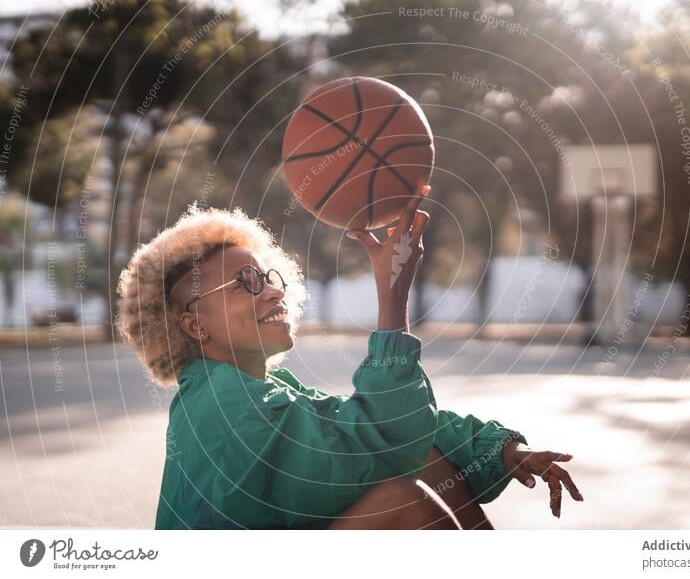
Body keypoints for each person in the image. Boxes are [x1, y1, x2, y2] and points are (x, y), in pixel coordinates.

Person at [116, 185, 583, 529]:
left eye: (269, 277)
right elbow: (377, 441)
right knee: (405, 499)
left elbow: (396, 430)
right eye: (245, 283)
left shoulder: (256, 390)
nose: (274, 292)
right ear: (195, 326)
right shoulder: (225, 404)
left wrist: (500, 450)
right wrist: (391, 301)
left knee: (428, 459)